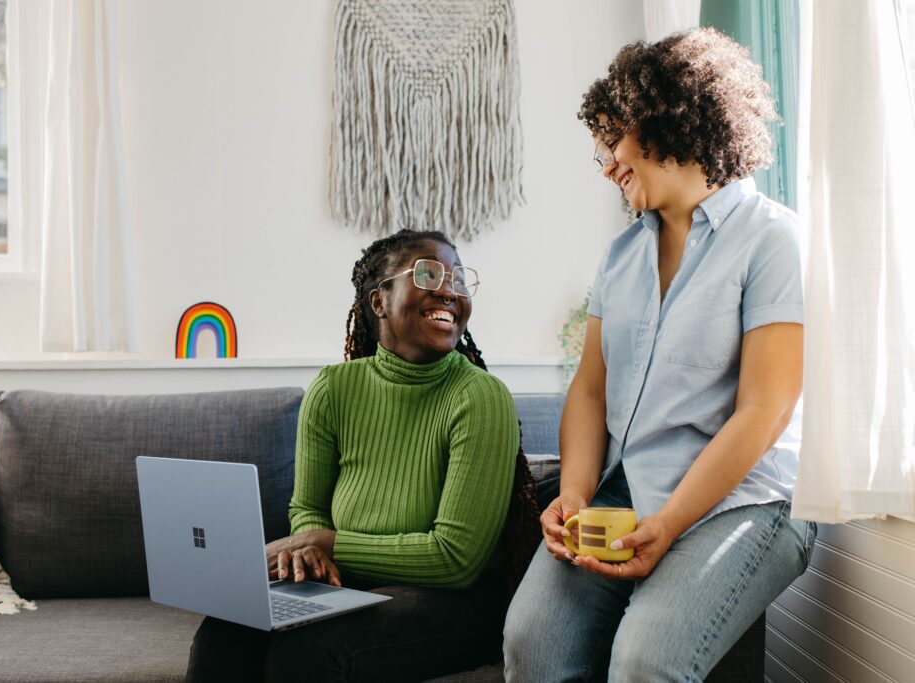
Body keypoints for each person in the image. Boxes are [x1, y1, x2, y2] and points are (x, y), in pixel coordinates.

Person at [503, 28, 817, 682]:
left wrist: (672, 521)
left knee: (646, 659)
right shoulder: (621, 257)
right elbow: (590, 390)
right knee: (531, 641)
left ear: (670, 119)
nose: (607, 163)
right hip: (628, 490)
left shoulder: (772, 240)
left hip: (743, 502)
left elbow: (766, 408)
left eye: (614, 138)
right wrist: (578, 493)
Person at [186, 229, 540, 682]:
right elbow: (308, 507)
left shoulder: (480, 396)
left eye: (458, 278)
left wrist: (325, 544)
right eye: (429, 273)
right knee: (226, 631)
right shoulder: (334, 388)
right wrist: (308, 553)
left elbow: (456, 560)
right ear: (379, 302)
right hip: (348, 583)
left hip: (452, 599)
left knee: (309, 652)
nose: (449, 290)